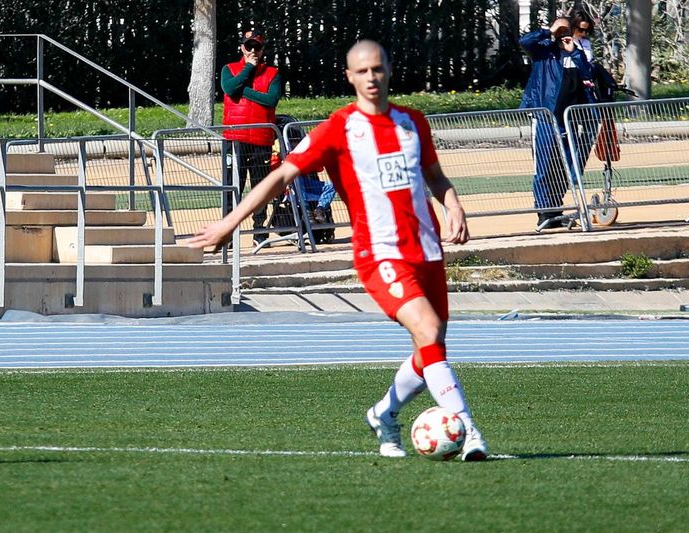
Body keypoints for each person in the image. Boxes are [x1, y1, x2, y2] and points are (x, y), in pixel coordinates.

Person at [187, 40, 489, 461]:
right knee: (428, 331)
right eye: (362, 71)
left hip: (427, 250)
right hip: (379, 254)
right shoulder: (338, 130)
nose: (371, 77)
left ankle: (384, 414)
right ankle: (469, 430)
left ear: (388, 70)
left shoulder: (412, 122)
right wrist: (229, 222)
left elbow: (435, 176)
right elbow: (280, 177)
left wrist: (454, 205)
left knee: (431, 349)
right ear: (349, 77)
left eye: (377, 69)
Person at [519, 16, 594, 230]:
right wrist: (549, 31)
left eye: (583, 31)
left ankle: (556, 209)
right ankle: (543, 212)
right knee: (544, 165)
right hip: (545, 116)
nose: (582, 34)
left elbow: (587, 73)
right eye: (577, 29)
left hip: (568, 118)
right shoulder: (544, 50)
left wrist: (575, 53)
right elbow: (525, 42)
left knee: (564, 167)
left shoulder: (577, 52)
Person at [220, 29, 284, 237]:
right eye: (249, 46)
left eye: (257, 46)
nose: (253, 50)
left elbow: (270, 100)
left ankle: (259, 232)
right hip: (234, 139)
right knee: (232, 186)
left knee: (260, 187)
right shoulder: (229, 69)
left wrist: (242, 90)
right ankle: (228, 231)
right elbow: (229, 87)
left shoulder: (272, 73)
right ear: (242, 48)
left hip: (261, 137)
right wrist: (248, 68)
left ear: (263, 49)